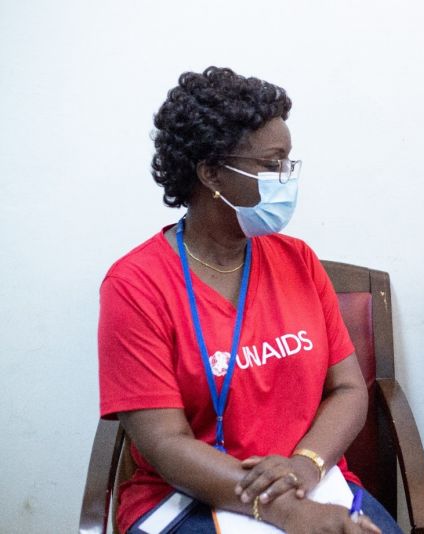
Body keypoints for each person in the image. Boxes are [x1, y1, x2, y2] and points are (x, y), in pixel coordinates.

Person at [98, 67, 401, 534]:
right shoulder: (135, 285)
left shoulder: (298, 261)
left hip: (308, 481)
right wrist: (287, 511)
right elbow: (165, 443)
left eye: (289, 163)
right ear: (211, 172)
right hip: (188, 497)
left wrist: (305, 465)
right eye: (272, 164)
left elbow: (347, 389)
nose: (286, 178)